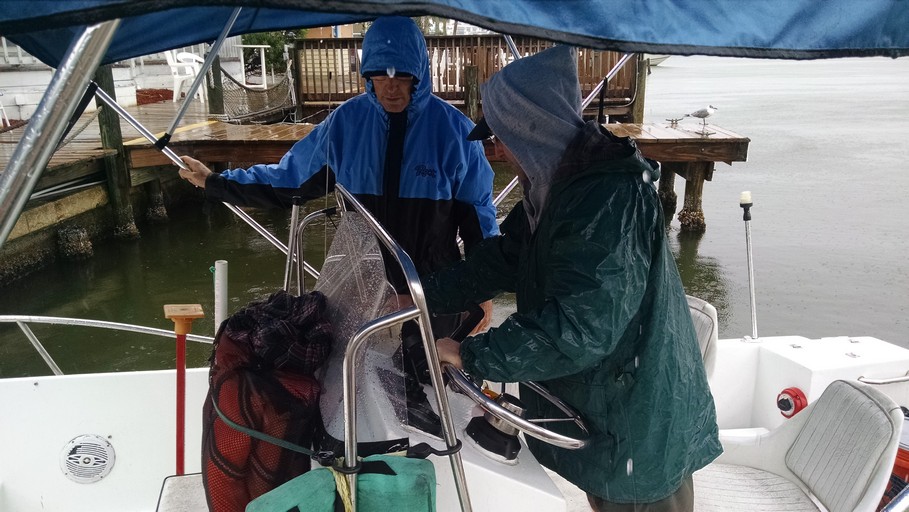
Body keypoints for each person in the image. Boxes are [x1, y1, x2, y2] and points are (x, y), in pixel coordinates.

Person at [423, 45, 721, 511]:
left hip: (636, 417)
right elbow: (504, 258)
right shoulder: (556, 188)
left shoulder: (605, 200)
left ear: (531, 129)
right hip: (603, 402)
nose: (494, 149)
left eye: (500, 135)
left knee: (632, 498)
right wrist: (420, 295)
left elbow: (579, 329)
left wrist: (470, 353)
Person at [178, 16, 498, 433]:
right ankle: (374, 405)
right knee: (351, 367)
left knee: (429, 363)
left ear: (421, 74)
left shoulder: (456, 132)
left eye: (403, 76)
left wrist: (485, 290)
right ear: (366, 76)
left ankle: (421, 397)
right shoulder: (345, 124)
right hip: (364, 278)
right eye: (380, 77)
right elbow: (288, 179)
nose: (392, 88)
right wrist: (216, 182)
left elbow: (479, 218)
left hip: (433, 282)